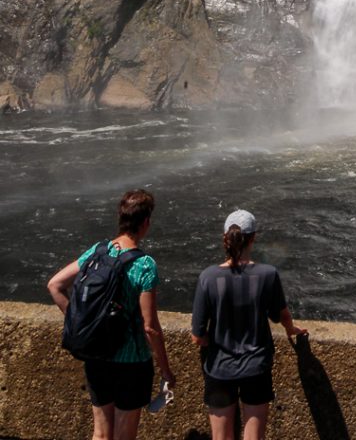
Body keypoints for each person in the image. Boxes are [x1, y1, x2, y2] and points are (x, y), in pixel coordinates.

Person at [47, 189, 175, 440]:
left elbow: (55, 285)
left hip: (97, 355)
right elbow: (150, 327)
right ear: (146, 222)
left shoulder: (98, 251)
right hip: (131, 362)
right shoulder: (144, 264)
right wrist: (166, 370)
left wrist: (78, 321)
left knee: (101, 434)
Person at [191, 209, 307, 440]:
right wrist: (291, 329)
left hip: (220, 367)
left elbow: (197, 336)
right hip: (256, 366)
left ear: (225, 237)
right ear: (253, 238)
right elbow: (281, 315)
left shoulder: (208, 277)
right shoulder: (267, 274)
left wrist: (212, 342)